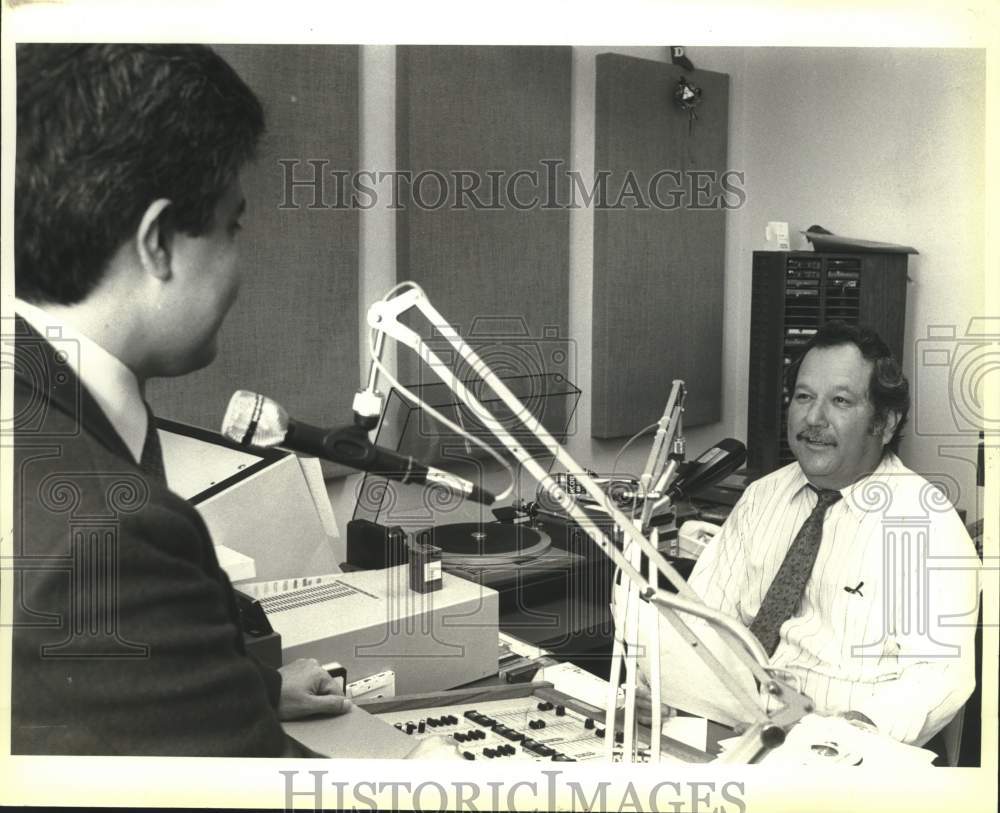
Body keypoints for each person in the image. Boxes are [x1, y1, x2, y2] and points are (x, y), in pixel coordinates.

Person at [10, 44, 455, 759]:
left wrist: (235, 683)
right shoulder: (109, 535)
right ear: (158, 242)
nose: (239, 267)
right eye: (231, 227)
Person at [637, 321, 980, 749]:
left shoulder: (926, 526)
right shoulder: (763, 497)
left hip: (839, 753)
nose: (813, 418)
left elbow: (941, 675)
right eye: (803, 396)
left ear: (886, 422)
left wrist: (854, 730)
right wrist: (654, 680)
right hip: (734, 730)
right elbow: (700, 619)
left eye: (840, 400)